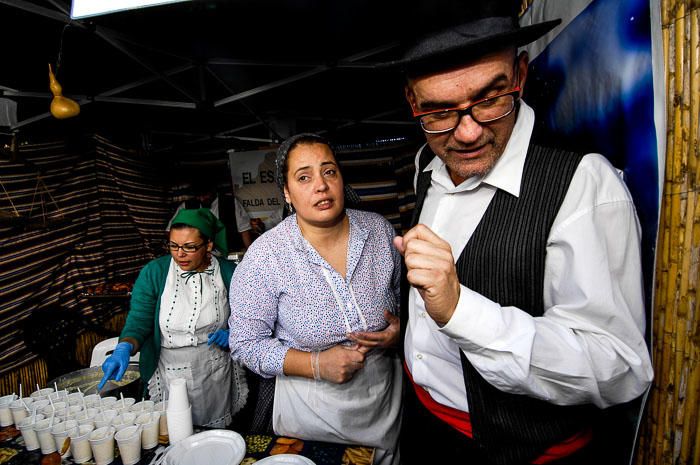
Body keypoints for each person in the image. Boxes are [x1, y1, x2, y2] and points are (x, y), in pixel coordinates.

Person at [385, 2, 655, 464]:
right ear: (413, 103)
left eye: (489, 99)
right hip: (422, 422)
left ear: (520, 76)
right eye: (439, 112)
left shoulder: (584, 185)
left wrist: (460, 309)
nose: (467, 133)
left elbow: (618, 369)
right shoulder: (425, 167)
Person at [228, 133, 402, 465]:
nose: (320, 185)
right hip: (309, 419)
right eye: (304, 177)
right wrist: (316, 364)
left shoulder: (379, 232)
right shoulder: (266, 256)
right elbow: (245, 343)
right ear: (287, 193)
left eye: (329, 172)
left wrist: (397, 333)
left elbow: (401, 303)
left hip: (382, 407)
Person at [98, 208, 248, 428]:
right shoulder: (154, 273)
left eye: (189, 247)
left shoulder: (229, 272)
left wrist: (236, 334)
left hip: (215, 371)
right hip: (170, 372)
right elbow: (139, 322)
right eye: (174, 246)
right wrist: (124, 347)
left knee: (215, 435)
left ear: (208, 245)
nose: (180, 254)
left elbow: (250, 319)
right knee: (174, 431)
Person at [167, 183, 253, 249]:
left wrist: (250, 255)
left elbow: (244, 230)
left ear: (213, 191)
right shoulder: (186, 207)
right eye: (199, 196)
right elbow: (170, 230)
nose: (202, 199)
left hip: (228, 253)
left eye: (205, 195)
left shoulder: (230, 203)